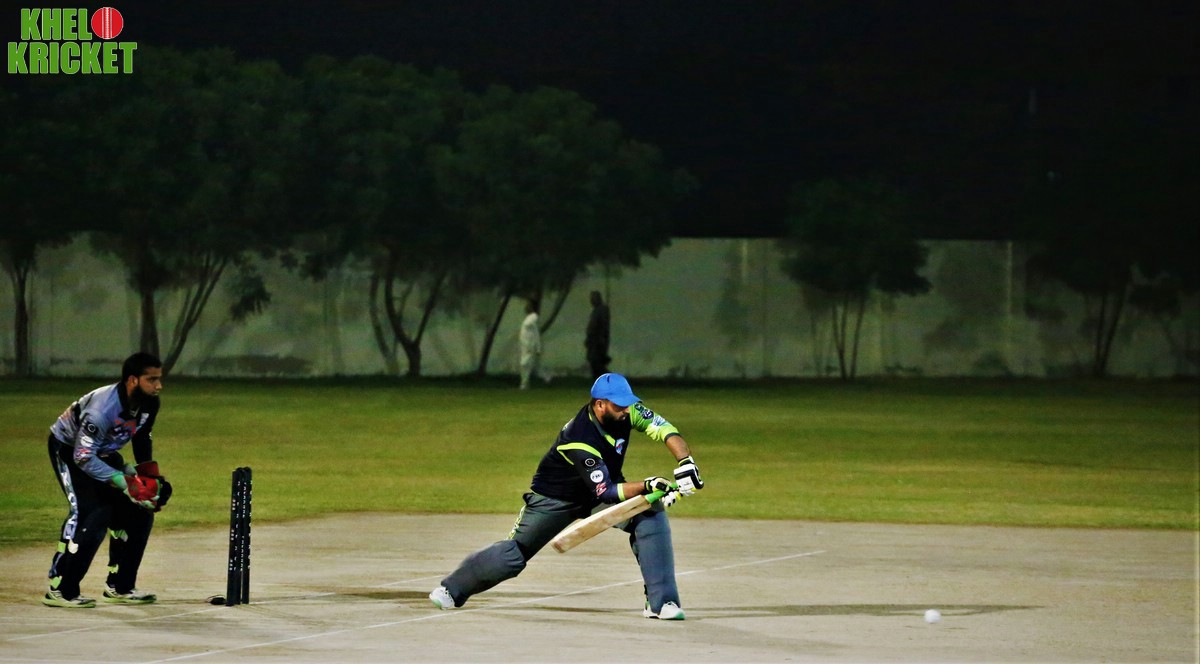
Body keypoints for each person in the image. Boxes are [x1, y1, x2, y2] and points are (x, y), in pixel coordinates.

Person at [429, 372, 705, 619]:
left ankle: (661, 603)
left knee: (650, 515)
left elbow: (665, 429)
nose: (625, 410)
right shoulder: (579, 438)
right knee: (513, 555)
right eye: (619, 405)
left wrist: (686, 462)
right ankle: (452, 589)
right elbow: (607, 492)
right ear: (600, 404)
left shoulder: (627, 410)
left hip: (599, 493)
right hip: (555, 499)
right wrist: (649, 485)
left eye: (627, 404)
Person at [41, 352, 172, 608]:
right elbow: (83, 457)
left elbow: (142, 437)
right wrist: (124, 482)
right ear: (133, 380)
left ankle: (120, 586)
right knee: (93, 512)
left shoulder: (149, 403)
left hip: (103, 452)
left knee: (140, 512)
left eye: (159, 379)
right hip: (69, 450)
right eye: (152, 379)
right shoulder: (102, 410)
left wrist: (148, 478)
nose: (159, 386)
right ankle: (61, 588)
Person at [518, 300, 546, 390]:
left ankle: (525, 383)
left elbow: (535, 332)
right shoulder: (528, 318)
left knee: (525, 364)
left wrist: (537, 347)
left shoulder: (533, 317)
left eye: (528, 306)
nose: (526, 307)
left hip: (529, 345)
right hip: (525, 345)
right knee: (525, 364)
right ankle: (524, 383)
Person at [585, 290, 611, 378]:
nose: (591, 301)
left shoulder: (602, 310)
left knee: (597, 364)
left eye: (593, 298)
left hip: (598, 342)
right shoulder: (596, 311)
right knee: (594, 364)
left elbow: (602, 326)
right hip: (593, 341)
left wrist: (601, 339)